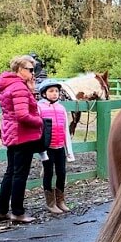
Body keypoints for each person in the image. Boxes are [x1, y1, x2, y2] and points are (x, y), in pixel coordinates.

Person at [0, 55, 44, 224]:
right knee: (20, 175)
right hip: (23, 135)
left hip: (12, 133)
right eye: (30, 70)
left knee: (10, 172)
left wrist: (31, 89)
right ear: (19, 70)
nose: (33, 73)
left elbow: (14, 111)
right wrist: (40, 122)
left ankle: (1, 211)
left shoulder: (8, 85)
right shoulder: (19, 88)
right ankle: (17, 212)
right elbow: (23, 115)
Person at [37, 78, 75, 214]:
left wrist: (68, 151)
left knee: (62, 173)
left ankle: (60, 200)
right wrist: (42, 151)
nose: (54, 94)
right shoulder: (39, 108)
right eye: (51, 91)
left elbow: (65, 130)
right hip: (48, 147)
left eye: (56, 91)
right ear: (44, 93)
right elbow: (39, 131)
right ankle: (50, 202)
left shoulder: (61, 108)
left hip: (60, 147)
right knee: (48, 173)